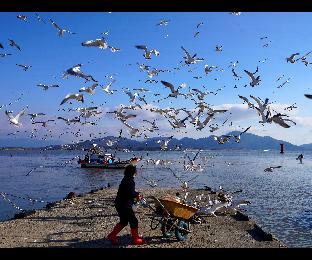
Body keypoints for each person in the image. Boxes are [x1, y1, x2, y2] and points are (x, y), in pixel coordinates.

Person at [107, 165, 145, 245]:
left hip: (118, 203)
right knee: (134, 221)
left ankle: (112, 235)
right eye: (135, 171)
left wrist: (135, 194)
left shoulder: (125, 179)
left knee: (123, 221)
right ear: (133, 172)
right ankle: (135, 239)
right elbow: (131, 193)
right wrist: (138, 194)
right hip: (125, 205)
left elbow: (127, 191)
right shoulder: (130, 180)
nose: (136, 172)